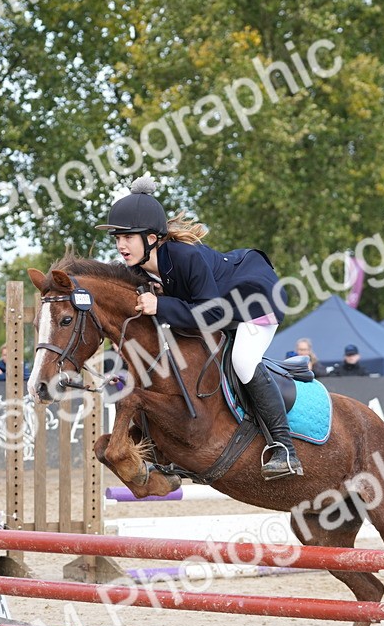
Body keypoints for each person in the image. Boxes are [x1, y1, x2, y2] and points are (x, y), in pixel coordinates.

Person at [97, 176, 302, 480]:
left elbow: (213, 313)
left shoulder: (186, 257)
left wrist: (161, 306)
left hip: (256, 302)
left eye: (128, 237)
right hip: (222, 306)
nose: (120, 245)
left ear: (151, 238)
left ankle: (285, 449)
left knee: (242, 362)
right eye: (117, 238)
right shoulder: (137, 270)